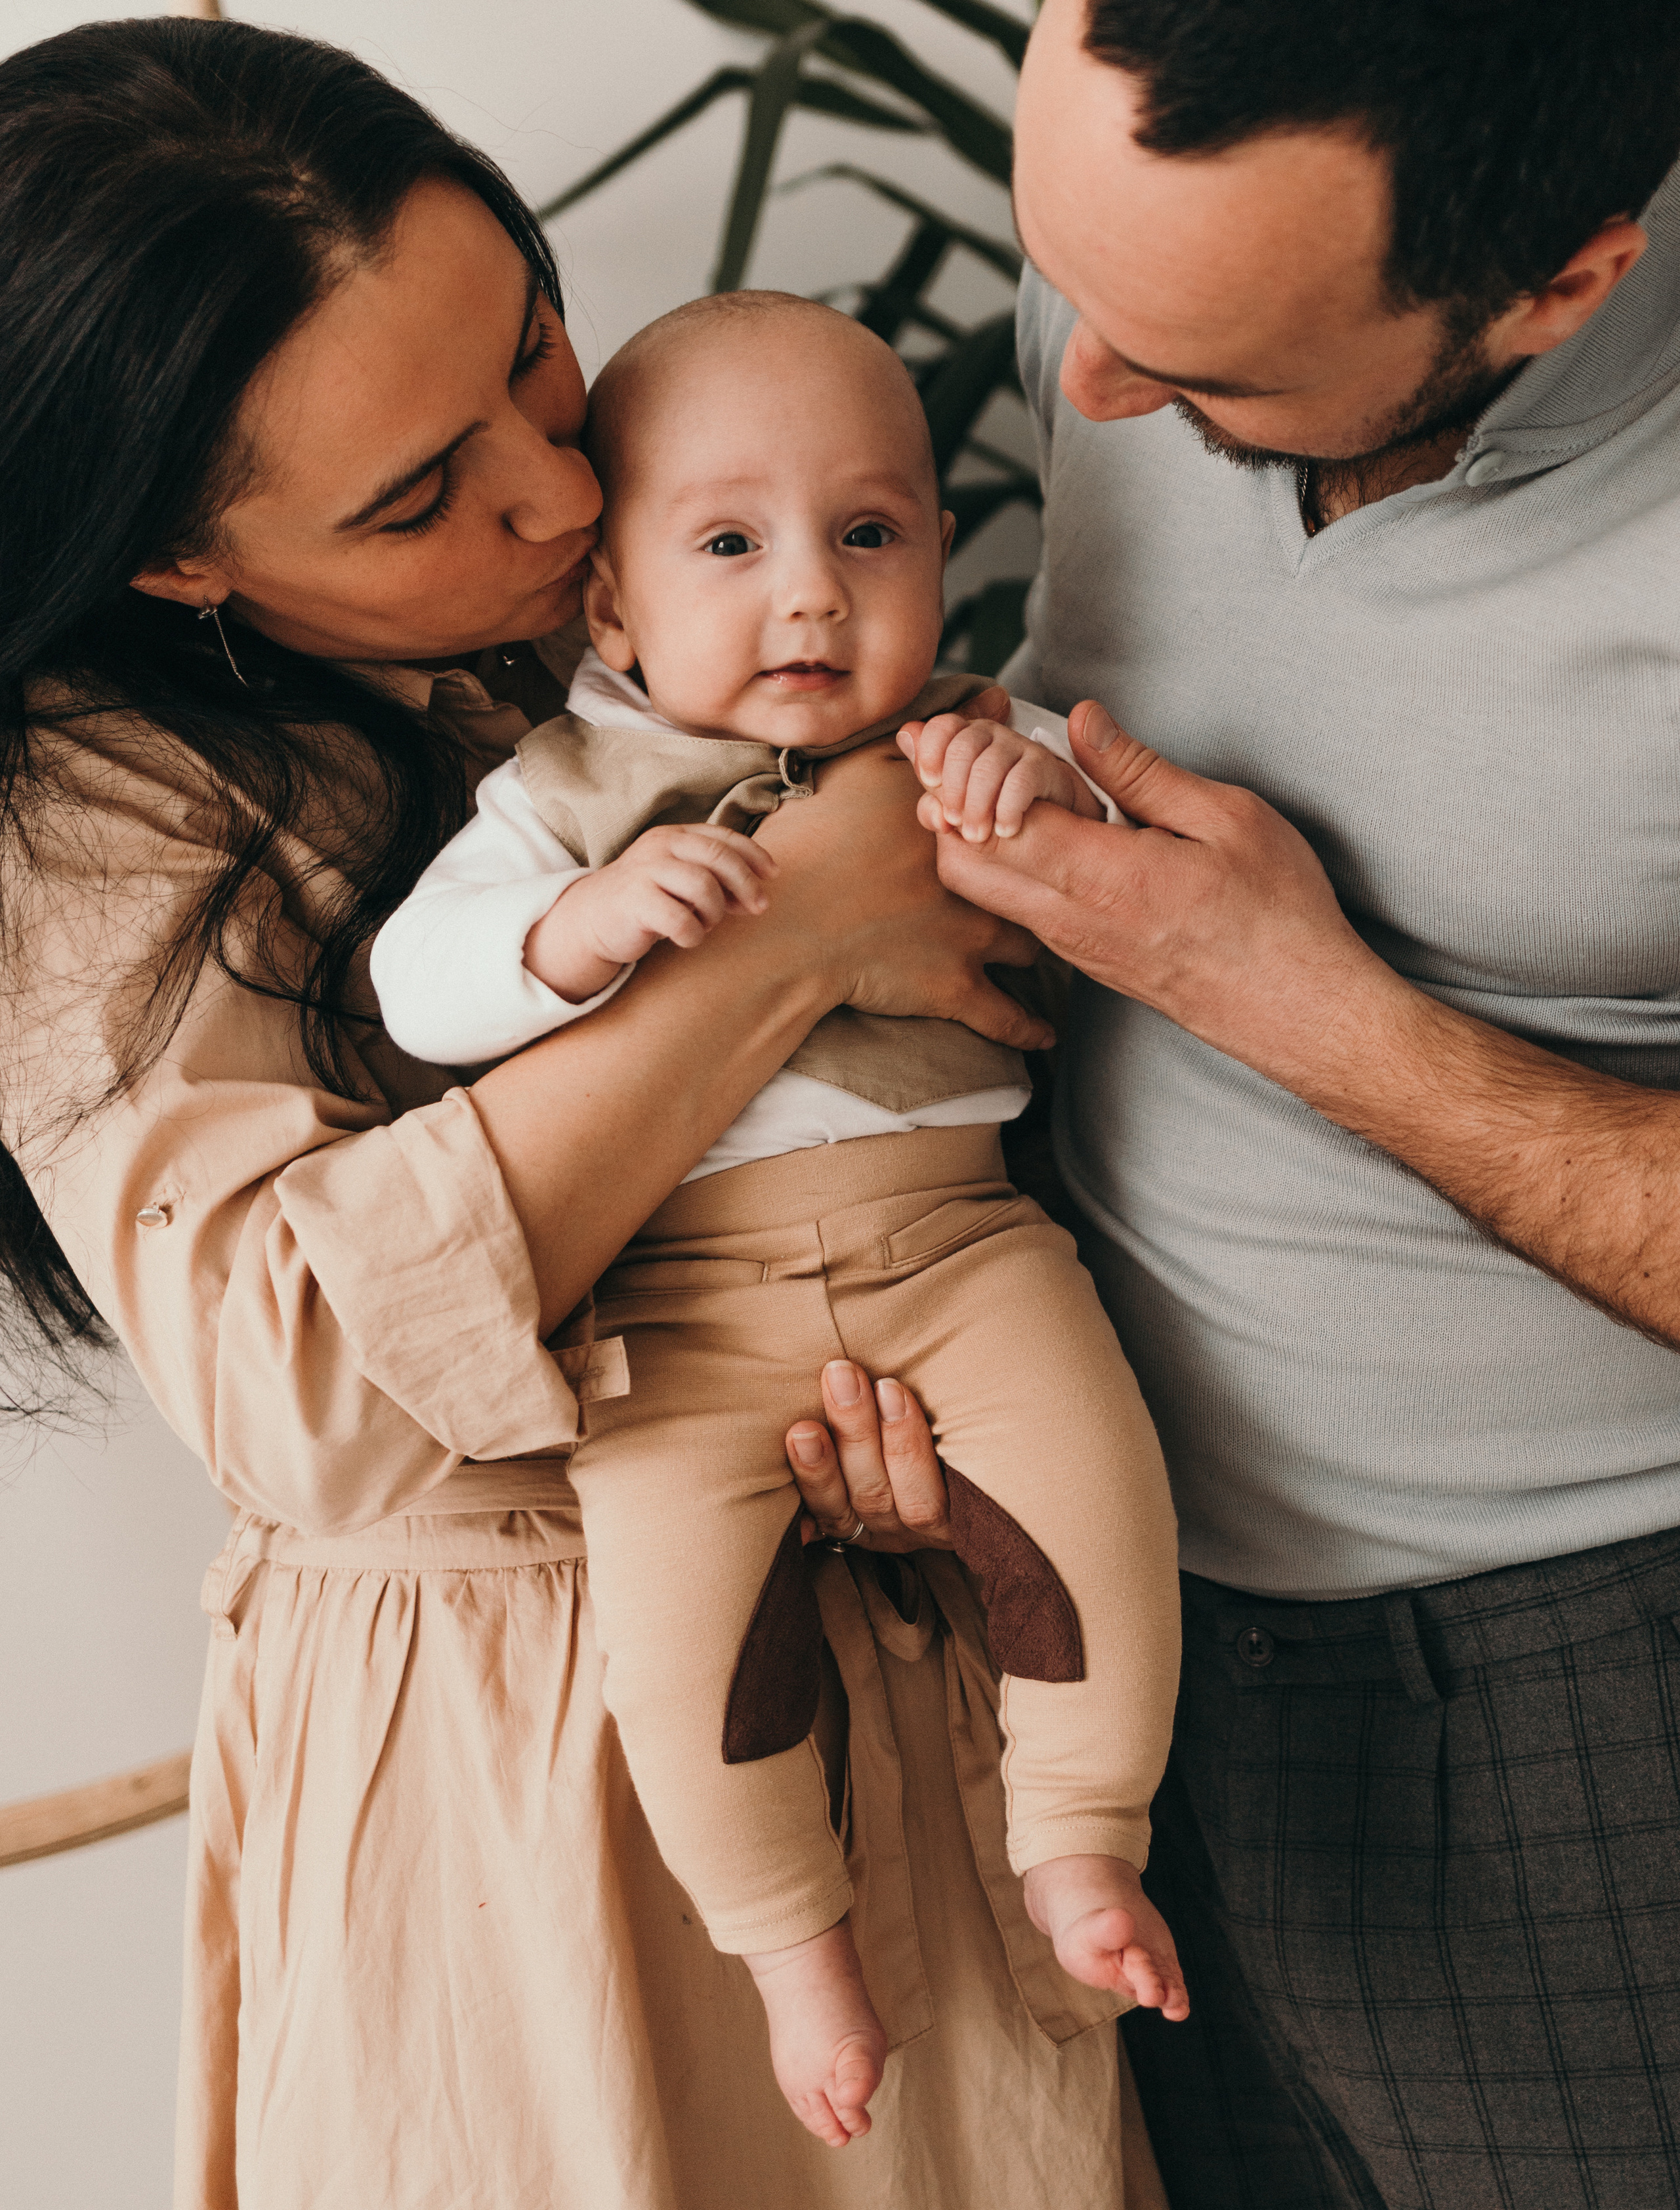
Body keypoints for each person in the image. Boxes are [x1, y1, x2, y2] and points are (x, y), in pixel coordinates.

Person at [0, 18, 1169, 2209]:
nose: (559, 496)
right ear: (179, 559)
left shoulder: (672, 574)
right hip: (526, 1780)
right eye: (422, 491)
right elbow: (318, 1382)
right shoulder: (90, 814)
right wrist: (792, 936)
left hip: (899, 1659)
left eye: (536, 359)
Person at [868, 0, 1680, 2201]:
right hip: (1097, 1657)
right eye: (1076, 284)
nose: (1096, 389)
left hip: (1573, 1698)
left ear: (1561, 285)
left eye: (1201, 364)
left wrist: (1294, 1002)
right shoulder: (1161, 227)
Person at [370, 288, 1186, 2147]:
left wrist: (1037, 797)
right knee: (678, 1638)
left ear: (941, 556)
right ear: (611, 605)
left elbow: (1115, 872)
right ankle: (790, 1943)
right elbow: (424, 989)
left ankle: (1080, 1842)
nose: (811, 595)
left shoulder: (969, 736)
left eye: (870, 535)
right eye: (731, 543)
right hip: (687, 1306)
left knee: (1098, 1506)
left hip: (967, 1250)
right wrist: (565, 937)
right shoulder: (563, 795)